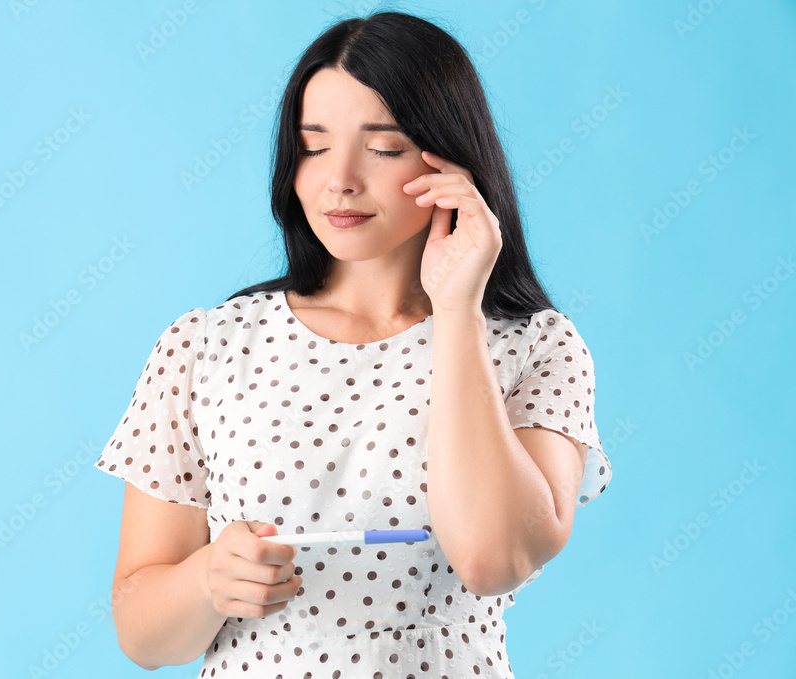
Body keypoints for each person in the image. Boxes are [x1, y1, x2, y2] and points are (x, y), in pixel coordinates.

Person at [95, 10, 613, 678]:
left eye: (384, 147)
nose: (340, 178)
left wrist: (457, 310)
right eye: (314, 145)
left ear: (452, 157)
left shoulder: (536, 347)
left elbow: (493, 558)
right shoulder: (206, 346)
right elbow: (140, 634)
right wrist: (205, 582)